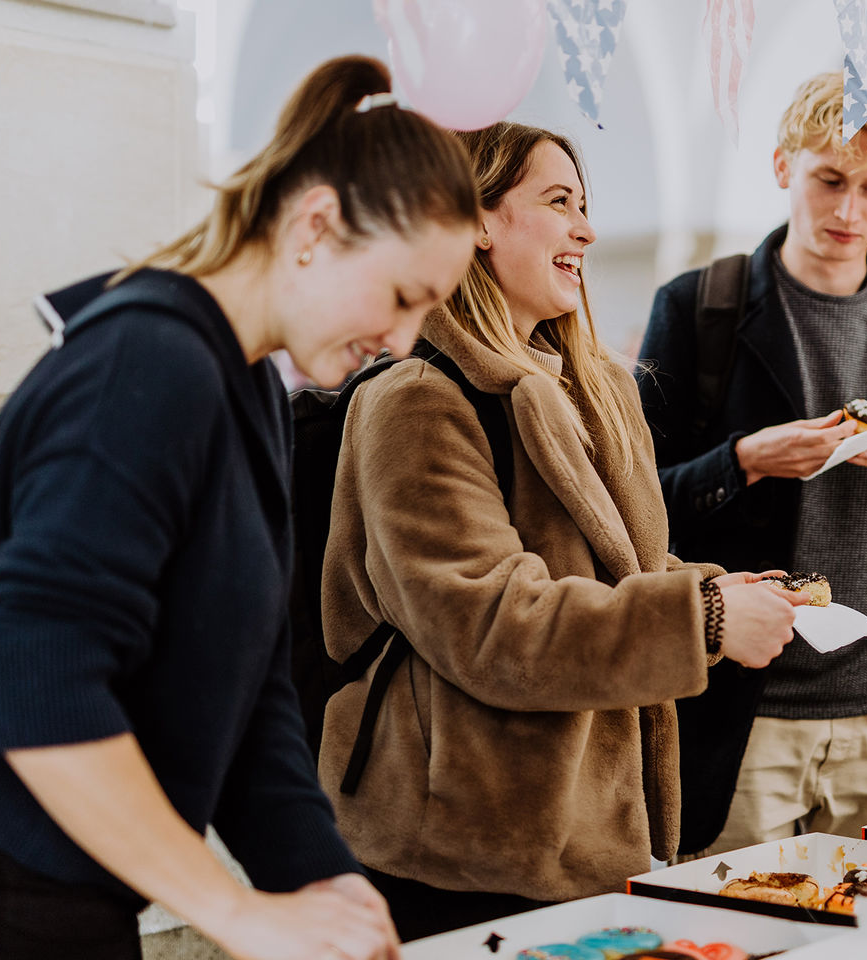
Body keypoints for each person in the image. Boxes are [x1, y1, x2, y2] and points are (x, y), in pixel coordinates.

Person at [0, 55, 479, 960]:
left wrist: (327, 883)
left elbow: (249, 696)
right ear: (315, 226)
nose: (402, 342)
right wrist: (236, 911)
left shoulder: (246, 390)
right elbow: (38, 683)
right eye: (404, 297)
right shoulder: (150, 363)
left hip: (63, 885)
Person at [317, 121, 805, 941]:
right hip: (465, 852)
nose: (584, 228)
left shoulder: (595, 390)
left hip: (593, 835)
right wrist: (705, 620)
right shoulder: (417, 397)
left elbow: (619, 572)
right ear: (476, 222)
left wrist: (709, 587)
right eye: (557, 202)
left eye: (585, 206)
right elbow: (488, 622)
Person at [637, 72, 867, 856]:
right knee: (733, 936)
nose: (849, 211)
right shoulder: (700, 306)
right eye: (829, 180)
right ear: (782, 167)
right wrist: (745, 461)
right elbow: (636, 513)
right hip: (744, 711)